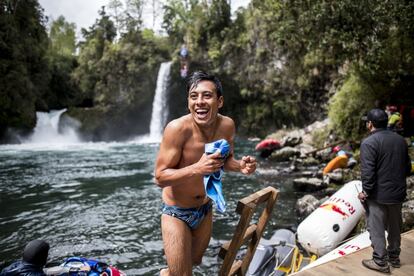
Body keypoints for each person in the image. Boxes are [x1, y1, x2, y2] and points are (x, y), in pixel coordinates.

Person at [154, 71, 257, 276]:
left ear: (219, 101)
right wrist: (197, 169)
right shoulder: (177, 129)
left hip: (204, 209)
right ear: (188, 102)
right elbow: (160, 177)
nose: (199, 101)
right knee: (182, 274)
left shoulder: (227, 125)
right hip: (176, 212)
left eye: (206, 95)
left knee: (193, 261)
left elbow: (224, 161)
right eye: (194, 96)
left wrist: (240, 166)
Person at [358, 108, 411, 273]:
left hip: (378, 195)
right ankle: (394, 258)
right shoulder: (400, 140)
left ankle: (380, 261)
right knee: (395, 226)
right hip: (397, 193)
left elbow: (368, 172)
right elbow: (408, 168)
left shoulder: (369, 143)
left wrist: (365, 192)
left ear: (370, 124)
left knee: (377, 228)